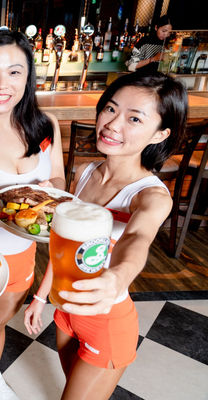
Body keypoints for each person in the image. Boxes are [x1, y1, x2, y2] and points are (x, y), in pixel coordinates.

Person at [24, 70, 187, 399]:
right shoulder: (86, 173)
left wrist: (118, 277)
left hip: (107, 321)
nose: (112, 124)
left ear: (160, 134)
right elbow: (65, 245)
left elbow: (137, 238)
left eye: (134, 119)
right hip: (66, 313)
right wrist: (40, 298)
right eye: (110, 109)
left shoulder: (151, 195)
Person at [0, 30, 65, 400]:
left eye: (14, 72)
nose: (3, 84)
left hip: (24, 256)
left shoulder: (45, 126)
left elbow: (59, 182)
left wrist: (47, 192)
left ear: (28, 77)